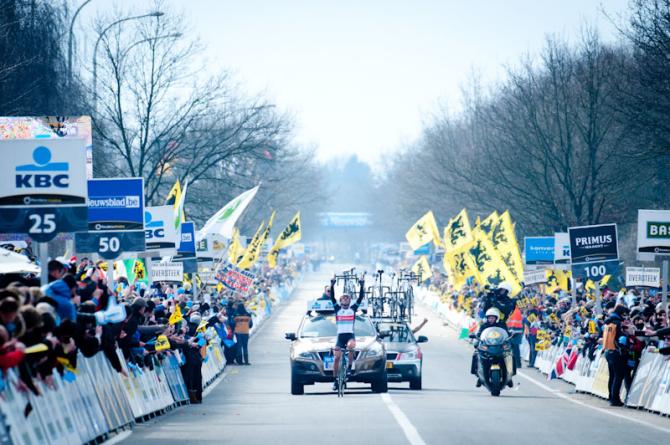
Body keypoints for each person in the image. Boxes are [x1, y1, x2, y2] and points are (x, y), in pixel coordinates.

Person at [328, 273, 365, 391]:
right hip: (340, 337)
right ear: (340, 300)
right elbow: (332, 297)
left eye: (347, 297)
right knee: (336, 358)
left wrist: (362, 284)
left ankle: (349, 368)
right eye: (343, 297)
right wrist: (332, 284)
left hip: (350, 336)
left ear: (349, 301)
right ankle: (335, 381)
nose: (345, 298)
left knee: (351, 346)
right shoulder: (337, 309)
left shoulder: (353, 309)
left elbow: (360, 297)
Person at [471, 308, 510, 387]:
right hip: (487, 346)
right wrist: (476, 340)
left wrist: (509, 339)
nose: (490, 319)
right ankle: (478, 375)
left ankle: (509, 376)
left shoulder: (502, 325)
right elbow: (479, 334)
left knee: (510, 355)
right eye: (489, 317)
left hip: (499, 345)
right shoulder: (484, 325)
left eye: (492, 318)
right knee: (476, 354)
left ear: (496, 318)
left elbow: (507, 334)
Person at [602, 304, 630, 406]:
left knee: (612, 376)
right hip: (616, 352)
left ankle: (611, 397)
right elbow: (620, 338)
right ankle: (615, 399)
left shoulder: (608, 322)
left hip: (608, 350)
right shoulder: (617, 323)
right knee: (618, 376)